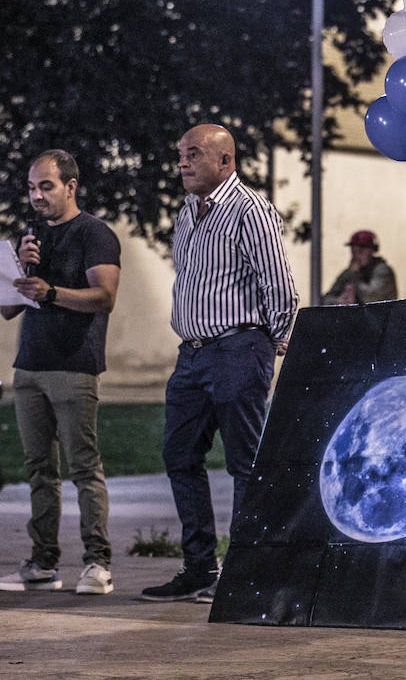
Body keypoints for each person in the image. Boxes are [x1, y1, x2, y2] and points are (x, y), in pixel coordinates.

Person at [142, 124, 298, 603]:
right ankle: (199, 566)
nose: (182, 163)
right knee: (179, 455)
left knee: (245, 462)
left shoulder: (250, 211)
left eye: (193, 154)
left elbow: (279, 285)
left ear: (225, 161)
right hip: (191, 354)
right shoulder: (187, 212)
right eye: (180, 154)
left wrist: (275, 342)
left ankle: (247, 570)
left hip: (237, 348)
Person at [0, 150, 122, 595]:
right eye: (31, 187)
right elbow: (9, 309)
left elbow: (104, 297)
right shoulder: (31, 238)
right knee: (39, 469)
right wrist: (21, 267)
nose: (37, 196)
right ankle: (43, 563)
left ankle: (97, 564)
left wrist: (49, 293)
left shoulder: (94, 233)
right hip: (29, 365)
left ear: (70, 186)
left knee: (84, 468)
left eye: (46, 186)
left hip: (73, 365)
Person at [321, 230, 397, 305]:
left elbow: (373, 299)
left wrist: (355, 277)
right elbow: (326, 299)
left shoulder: (382, 271)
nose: (356, 256)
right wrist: (338, 301)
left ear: (372, 251)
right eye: (353, 252)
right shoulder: (349, 272)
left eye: (361, 251)